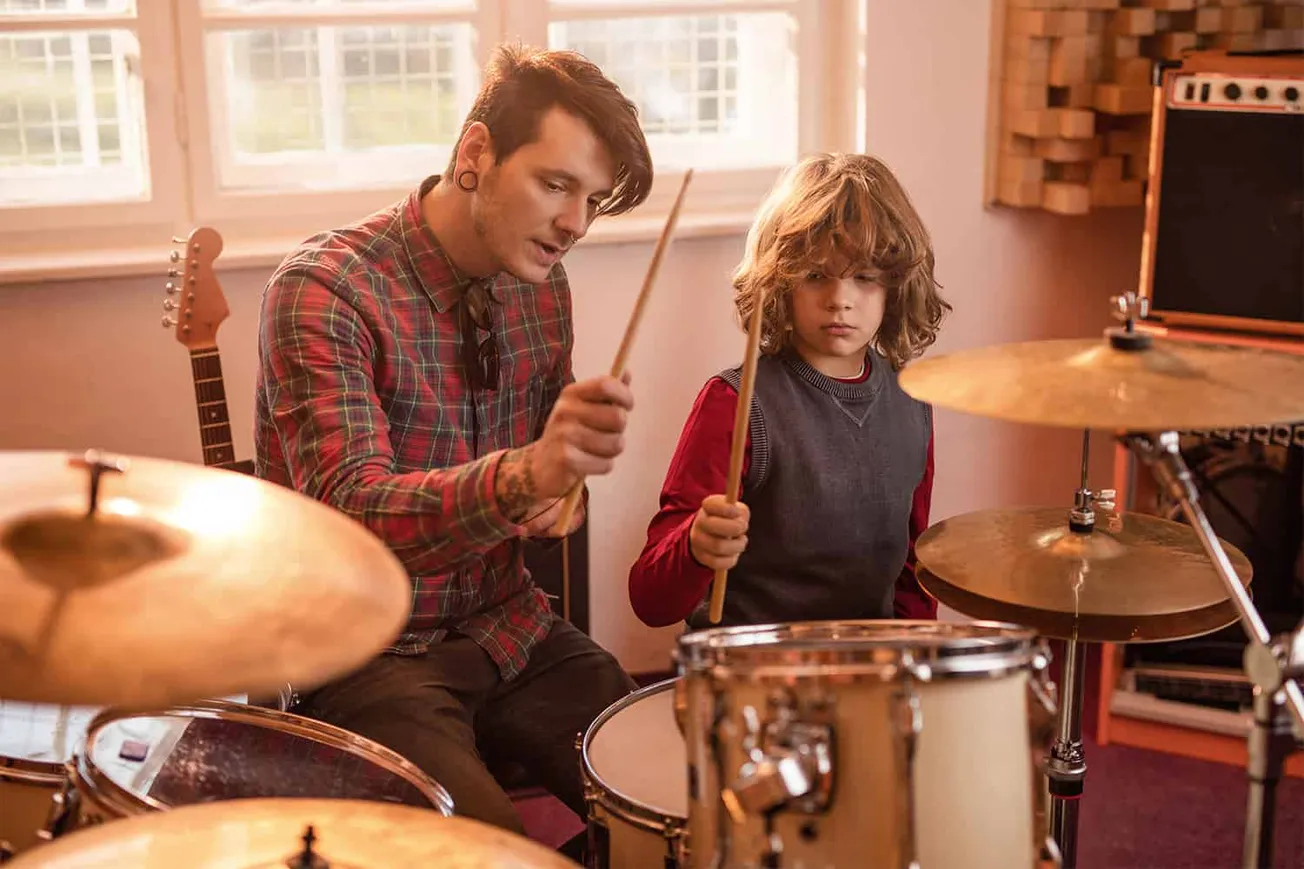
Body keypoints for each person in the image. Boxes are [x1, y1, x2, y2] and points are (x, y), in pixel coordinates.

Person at [254, 44, 654, 855]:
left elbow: (548, 478)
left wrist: (562, 490)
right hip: (369, 657)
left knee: (677, 789)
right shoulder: (324, 291)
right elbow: (352, 512)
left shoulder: (540, 286)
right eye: (555, 184)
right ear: (477, 153)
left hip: (511, 628)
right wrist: (525, 476)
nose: (576, 222)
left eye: (593, 199)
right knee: (486, 852)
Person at [627, 152, 950, 630]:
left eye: (863, 277)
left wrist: (917, 654)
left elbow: (910, 573)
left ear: (896, 287)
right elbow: (651, 601)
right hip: (753, 673)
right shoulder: (734, 403)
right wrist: (695, 545)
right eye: (816, 275)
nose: (840, 298)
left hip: (868, 665)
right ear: (780, 283)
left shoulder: (913, 402)